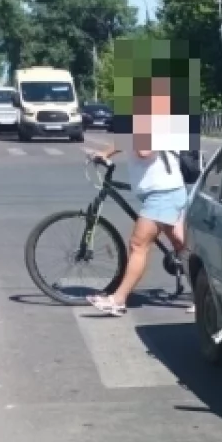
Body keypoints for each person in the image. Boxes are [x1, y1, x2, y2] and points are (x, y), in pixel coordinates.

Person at [86, 112, 189, 317]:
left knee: (138, 244)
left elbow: (144, 151)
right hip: (163, 192)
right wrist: (105, 153)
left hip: (163, 194)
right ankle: (204, 294)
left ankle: (118, 300)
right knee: (181, 245)